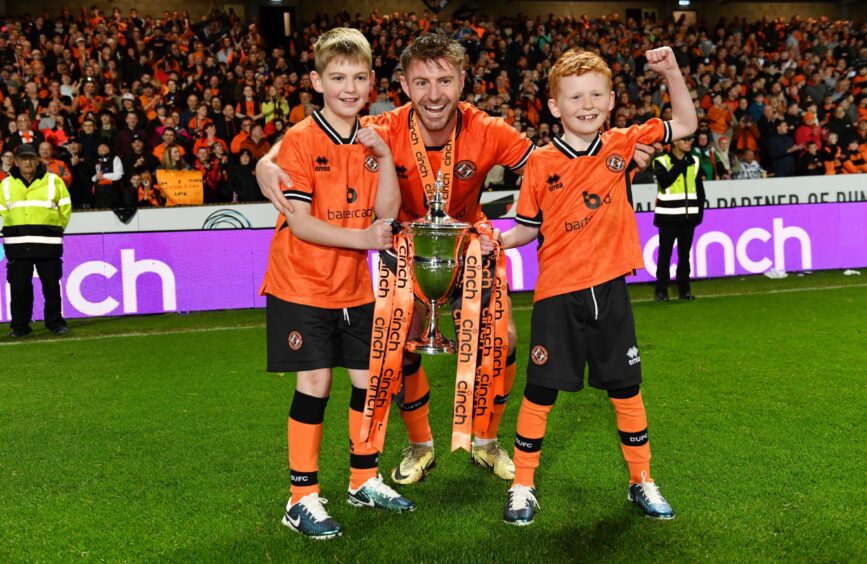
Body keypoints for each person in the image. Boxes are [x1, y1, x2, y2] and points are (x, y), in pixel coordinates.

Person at [256, 33, 660, 488]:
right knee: (400, 343)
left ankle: (487, 440)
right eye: (422, 82)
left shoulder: (487, 129)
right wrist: (265, 160)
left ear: (462, 81)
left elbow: (558, 159)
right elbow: (327, 129)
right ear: (404, 86)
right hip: (408, 253)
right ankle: (420, 443)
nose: (434, 94)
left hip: (470, 249)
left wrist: (619, 155)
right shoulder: (386, 127)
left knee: (504, 338)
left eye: (444, 81)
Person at [487, 46, 695, 526]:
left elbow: (683, 124)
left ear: (611, 99)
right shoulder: (539, 163)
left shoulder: (623, 143)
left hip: (611, 294)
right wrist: (488, 238)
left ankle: (641, 480)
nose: (587, 104)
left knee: (627, 391)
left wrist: (671, 72)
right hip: (557, 297)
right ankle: (523, 485)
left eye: (596, 94)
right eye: (575, 96)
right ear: (554, 106)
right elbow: (525, 228)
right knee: (540, 393)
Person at [259, 27, 413, 540]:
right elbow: (300, 223)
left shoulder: (374, 138)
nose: (349, 87)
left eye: (359, 77)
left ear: (372, 82)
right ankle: (300, 497)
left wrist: (387, 157)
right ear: (316, 81)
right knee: (316, 383)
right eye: (338, 77)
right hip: (300, 282)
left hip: (353, 286)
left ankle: (363, 479)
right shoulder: (301, 139)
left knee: (371, 383)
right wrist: (367, 240)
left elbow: (387, 215)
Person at [0, 144, 72, 337]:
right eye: (23, 158)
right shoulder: (6, 184)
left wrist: (55, 231)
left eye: (31, 158)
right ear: (16, 161)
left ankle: (55, 323)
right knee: (19, 287)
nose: (28, 162)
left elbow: (65, 209)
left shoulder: (53, 181)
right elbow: (3, 212)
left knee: (51, 286)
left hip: (47, 243)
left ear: (38, 160)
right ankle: (20, 327)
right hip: (17, 245)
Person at [652, 136, 706, 301]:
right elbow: (666, 182)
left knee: (684, 256)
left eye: (690, 139)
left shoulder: (695, 161)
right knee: (665, 254)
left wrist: (699, 214)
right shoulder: (661, 160)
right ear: (675, 142)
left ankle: (685, 290)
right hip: (667, 217)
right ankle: (661, 290)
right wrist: (681, 164)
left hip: (687, 217)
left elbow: (699, 191)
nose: (690, 142)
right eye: (685, 140)